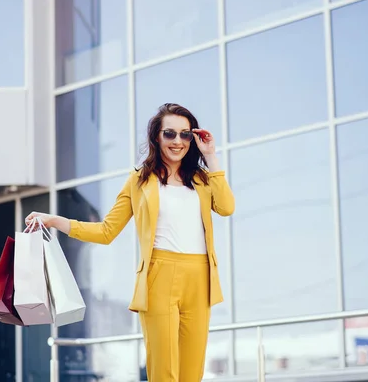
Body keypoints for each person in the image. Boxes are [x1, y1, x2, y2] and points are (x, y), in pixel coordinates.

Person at [25, 103, 235, 381]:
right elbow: (106, 231)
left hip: (200, 277)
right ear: (156, 137)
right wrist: (55, 221)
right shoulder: (139, 181)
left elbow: (226, 207)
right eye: (170, 133)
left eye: (185, 135)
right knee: (164, 371)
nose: (178, 141)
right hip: (159, 275)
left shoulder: (202, 179)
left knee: (191, 372)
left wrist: (211, 157)